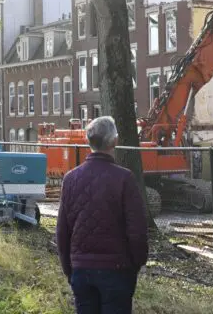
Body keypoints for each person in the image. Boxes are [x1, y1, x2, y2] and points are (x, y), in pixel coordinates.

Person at [56, 116, 148, 314]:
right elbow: (137, 230)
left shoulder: (70, 179)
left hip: (81, 270)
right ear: (114, 141)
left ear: (88, 141)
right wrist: (136, 263)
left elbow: (63, 231)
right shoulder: (125, 179)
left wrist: (69, 268)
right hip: (117, 270)